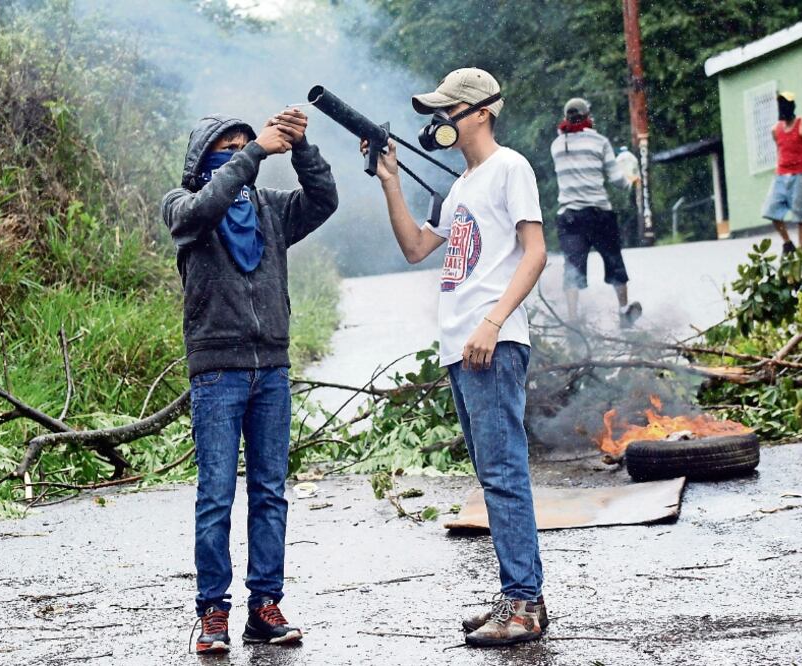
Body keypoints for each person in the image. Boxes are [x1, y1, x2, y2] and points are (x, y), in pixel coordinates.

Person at [362, 68, 548, 647]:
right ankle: (522, 597)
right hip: (459, 347)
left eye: (447, 111)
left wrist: (492, 322)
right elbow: (417, 248)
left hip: (491, 341)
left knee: (504, 474)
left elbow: (536, 253)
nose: (438, 121)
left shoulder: (509, 168)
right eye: (435, 112)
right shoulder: (462, 186)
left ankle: (522, 604)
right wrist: (390, 181)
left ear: (481, 112)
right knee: (492, 477)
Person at [161, 109, 338, 655]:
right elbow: (208, 202)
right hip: (217, 370)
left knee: (269, 493)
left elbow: (324, 199)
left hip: (273, 368)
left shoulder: (271, 209)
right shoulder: (184, 206)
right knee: (215, 495)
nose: (241, 151)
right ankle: (212, 612)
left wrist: (302, 146)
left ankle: (265, 606)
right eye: (228, 147)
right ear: (203, 158)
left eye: (245, 143)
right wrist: (257, 150)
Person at [551, 97, 642, 327]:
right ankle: (624, 311)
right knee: (614, 263)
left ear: (566, 116)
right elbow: (617, 180)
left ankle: (572, 320)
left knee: (572, 268)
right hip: (599, 214)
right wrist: (631, 179)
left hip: (569, 217)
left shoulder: (557, 145)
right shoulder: (599, 142)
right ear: (588, 116)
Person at [762, 91, 802, 255]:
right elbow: (780, 152)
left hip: (800, 175)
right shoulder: (775, 129)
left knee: (801, 215)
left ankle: (801, 249)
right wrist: (777, 175)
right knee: (770, 210)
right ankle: (788, 243)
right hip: (781, 175)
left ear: (792, 106)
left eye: (785, 104)